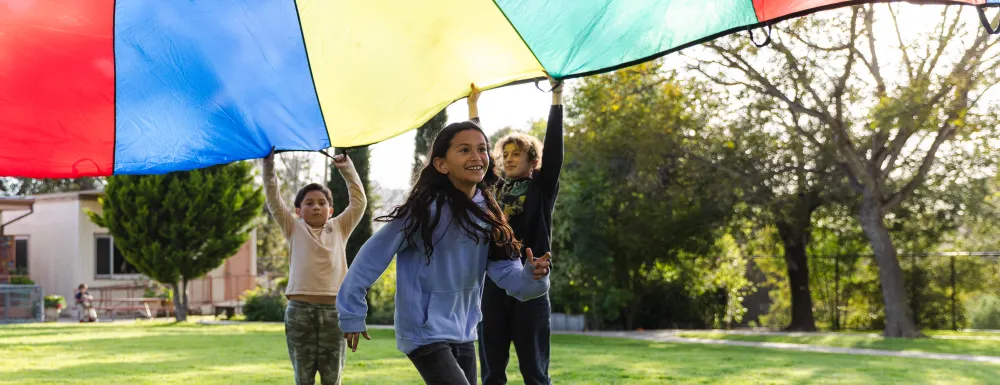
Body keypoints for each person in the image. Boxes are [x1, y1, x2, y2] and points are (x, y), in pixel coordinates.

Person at [336, 85, 552, 385]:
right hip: (423, 331)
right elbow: (370, 258)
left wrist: (533, 276)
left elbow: (507, 273)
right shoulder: (421, 211)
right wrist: (351, 312)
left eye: (481, 149)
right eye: (464, 150)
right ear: (441, 164)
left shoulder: (488, 212)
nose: (477, 156)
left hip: (464, 330)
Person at [478, 76, 564, 385]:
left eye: (517, 154)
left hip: (532, 278)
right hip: (493, 284)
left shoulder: (541, 187)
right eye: (506, 154)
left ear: (532, 160)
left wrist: (557, 97)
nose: (510, 159)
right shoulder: (492, 188)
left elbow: (555, 152)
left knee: (535, 374)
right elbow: (481, 153)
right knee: (491, 374)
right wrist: (473, 107)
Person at [263, 149, 367, 385]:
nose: (316, 207)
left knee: (333, 377)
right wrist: (269, 166)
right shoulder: (294, 227)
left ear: (331, 210)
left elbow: (359, 203)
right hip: (299, 312)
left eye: (322, 203)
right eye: (309, 203)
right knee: (304, 377)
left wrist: (347, 169)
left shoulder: (340, 227)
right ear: (298, 211)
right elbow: (274, 200)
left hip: (334, 312)